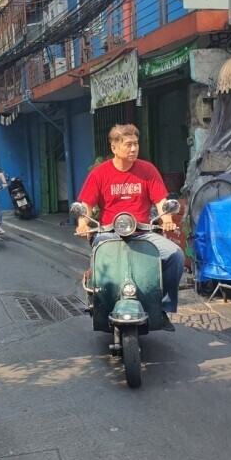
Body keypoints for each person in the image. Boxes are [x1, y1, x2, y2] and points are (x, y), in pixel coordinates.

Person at [75, 124, 184, 331]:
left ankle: (162, 307)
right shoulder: (100, 173)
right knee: (100, 261)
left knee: (175, 255)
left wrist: (167, 219)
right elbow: (86, 205)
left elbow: (161, 201)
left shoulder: (148, 170)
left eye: (136, 144)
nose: (133, 149)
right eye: (128, 145)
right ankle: (99, 301)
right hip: (108, 233)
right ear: (114, 147)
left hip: (143, 233)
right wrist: (83, 224)